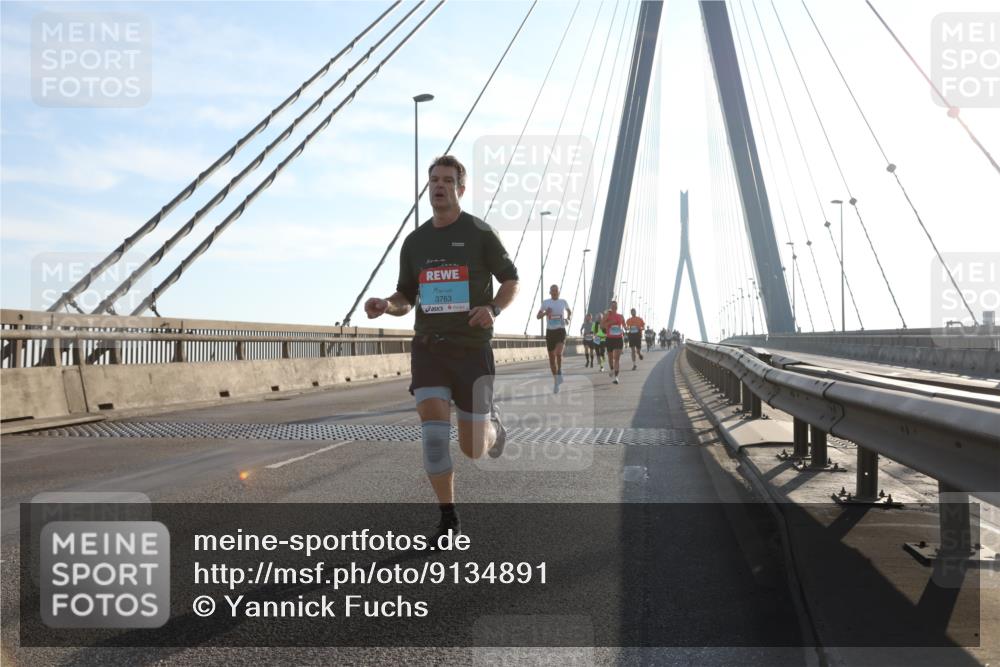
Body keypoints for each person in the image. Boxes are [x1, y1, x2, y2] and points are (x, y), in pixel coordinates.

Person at [364, 155, 519, 541]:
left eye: (448, 180)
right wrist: (387, 305)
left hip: (472, 351)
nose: (439, 186)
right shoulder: (415, 242)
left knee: (472, 450)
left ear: (460, 189)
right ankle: (448, 517)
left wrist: (494, 308)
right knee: (434, 440)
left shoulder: (480, 233)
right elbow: (406, 297)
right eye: (434, 179)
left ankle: (492, 427)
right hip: (429, 349)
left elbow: (511, 280)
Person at [537, 284, 571, 391]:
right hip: (550, 332)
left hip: (560, 330)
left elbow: (569, 311)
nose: (554, 292)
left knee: (559, 353)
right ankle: (556, 381)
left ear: (559, 292)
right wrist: (545, 313)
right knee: (552, 360)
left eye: (556, 290)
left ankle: (560, 370)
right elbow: (538, 316)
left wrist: (568, 318)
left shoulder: (563, 302)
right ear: (550, 292)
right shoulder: (546, 302)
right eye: (552, 291)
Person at [601, 301, 626, 384]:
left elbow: (624, 326)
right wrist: (609, 322)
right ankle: (612, 369)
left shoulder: (620, 316)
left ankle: (616, 377)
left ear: (617, 307)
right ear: (611, 307)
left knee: (617, 359)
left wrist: (626, 328)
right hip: (609, 339)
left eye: (615, 306)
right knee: (610, 358)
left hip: (618, 338)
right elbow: (601, 326)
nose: (614, 307)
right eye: (612, 306)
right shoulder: (607, 316)